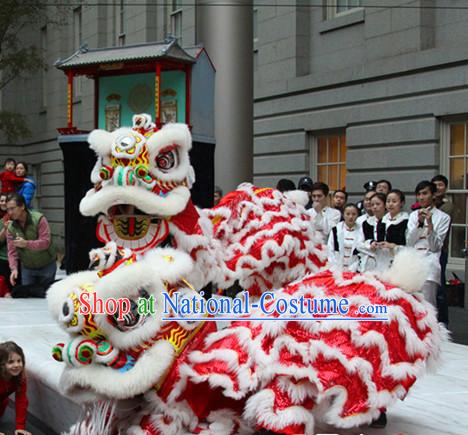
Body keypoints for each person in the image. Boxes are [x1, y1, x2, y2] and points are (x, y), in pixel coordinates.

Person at [407, 181, 450, 307]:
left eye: (425, 193)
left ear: (433, 195)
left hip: (430, 263)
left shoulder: (443, 217)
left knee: (428, 306)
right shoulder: (413, 215)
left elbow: (436, 246)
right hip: (412, 263)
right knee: (411, 304)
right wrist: (419, 223)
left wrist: (430, 223)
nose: (421, 197)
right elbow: (409, 242)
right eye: (419, 194)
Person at [6, 193, 57, 297]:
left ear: (22, 206)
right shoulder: (11, 228)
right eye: (8, 209)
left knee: (46, 300)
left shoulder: (39, 219)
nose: (10, 212)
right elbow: (12, 252)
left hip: (46, 265)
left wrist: (26, 244)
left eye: (12, 208)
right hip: (27, 268)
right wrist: (14, 269)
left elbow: (45, 242)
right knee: (29, 303)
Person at [431, 174, 453, 325]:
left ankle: (443, 322)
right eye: (435, 185)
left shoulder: (447, 206)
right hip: (424, 251)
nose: (438, 188)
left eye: (440, 185)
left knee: (440, 287)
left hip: (440, 249)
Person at [0, 341, 30, 435]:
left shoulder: (20, 378)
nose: (16, 365)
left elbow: (21, 401)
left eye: (19, 361)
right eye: (10, 362)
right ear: (1, 365)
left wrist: (20, 427)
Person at [327, 203, 363, 272]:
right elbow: (330, 249)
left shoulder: (361, 230)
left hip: (355, 269)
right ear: (343, 215)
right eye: (348, 214)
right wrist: (336, 267)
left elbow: (361, 252)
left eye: (354, 214)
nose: (350, 217)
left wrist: (352, 269)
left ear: (357, 215)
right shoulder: (336, 230)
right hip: (336, 268)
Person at [380, 189, 409, 269]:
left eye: (394, 201)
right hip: (382, 259)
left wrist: (393, 246)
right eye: (388, 201)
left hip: (399, 259)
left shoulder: (406, 221)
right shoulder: (382, 220)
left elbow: (409, 244)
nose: (390, 204)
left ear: (402, 203)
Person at [358, 192, 387, 272]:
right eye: (372, 205)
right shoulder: (366, 223)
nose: (374, 207)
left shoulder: (389, 222)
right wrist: (369, 245)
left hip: (386, 262)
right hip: (369, 263)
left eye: (378, 204)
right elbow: (358, 244)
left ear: (385, 205)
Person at [0, 194, 11, 297]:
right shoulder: (2, 221)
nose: (3, 203)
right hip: (3, 258)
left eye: (5, 201)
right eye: (1, 201)